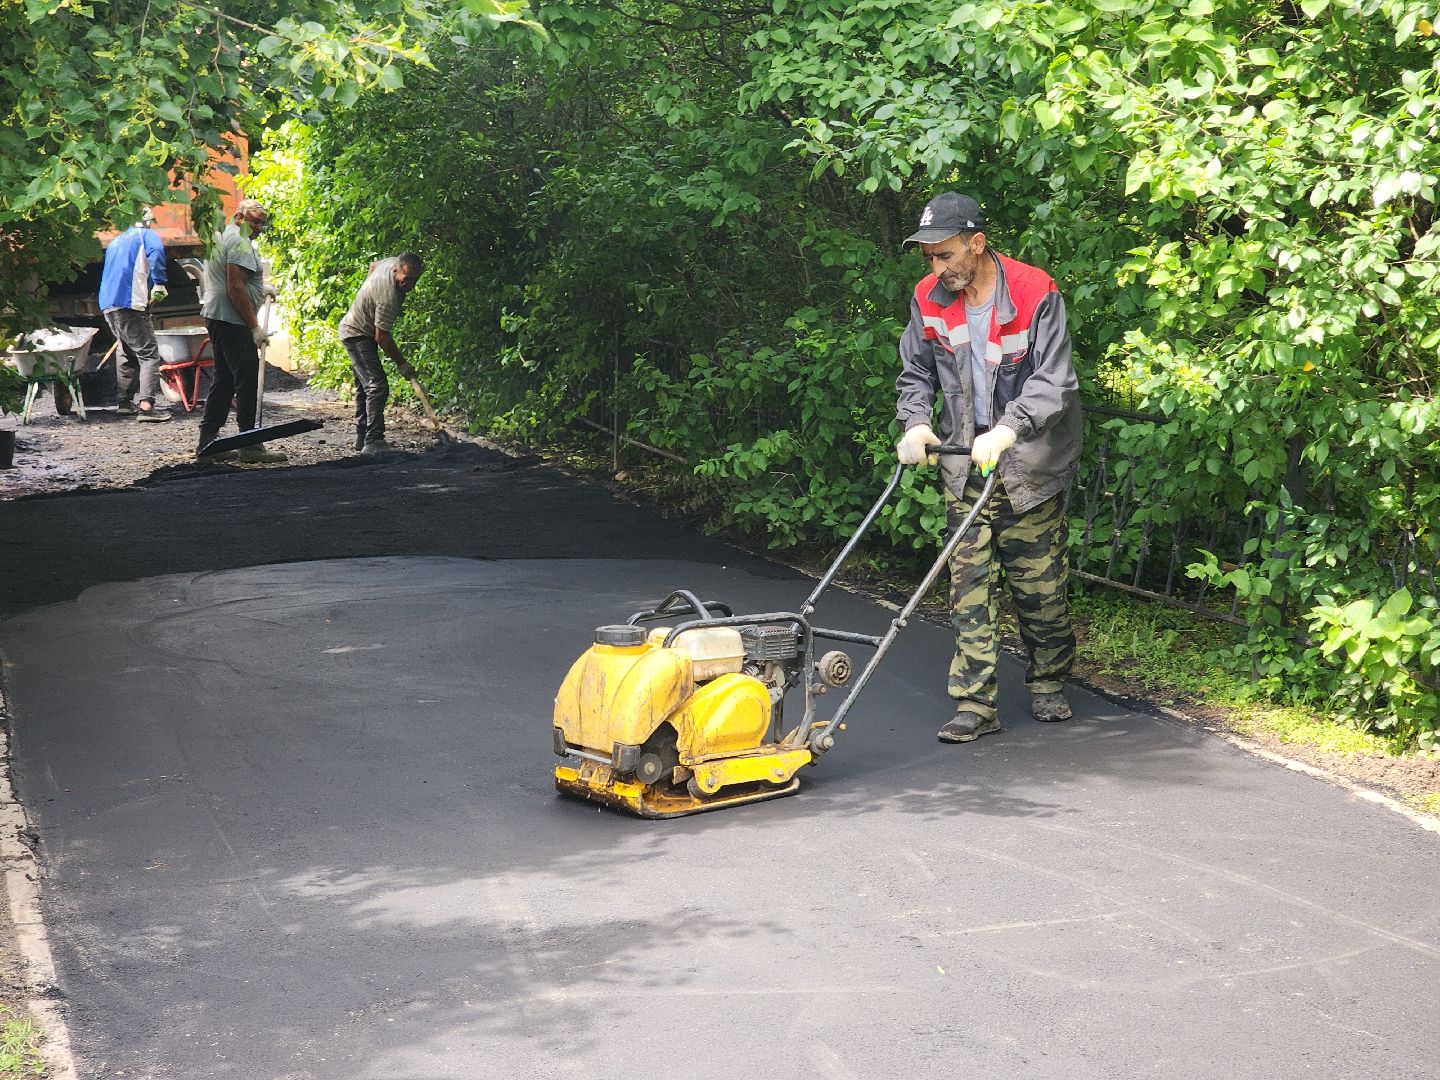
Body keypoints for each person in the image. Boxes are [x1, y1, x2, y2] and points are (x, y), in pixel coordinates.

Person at [894, 192, 1083, 744]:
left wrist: (1008, 427)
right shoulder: (929, 297)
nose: (936, 267)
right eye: (928, 256)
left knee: (1039, 590)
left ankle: (1049, 681)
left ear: (976, 244)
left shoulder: (1034, 291)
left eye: (945, 254)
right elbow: (916, 372)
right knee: (969, 587)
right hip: (962, 460)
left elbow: (1055, 381)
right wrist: (913, 423)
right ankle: (975, 704)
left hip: (1029, 462)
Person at [197, 199, 284, 464]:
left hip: (219, 317)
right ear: (238, 217)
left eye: (261, 222)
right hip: (232, 320)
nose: (258, 227)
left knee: (223, 379)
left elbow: (237, 283)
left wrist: (259, 289)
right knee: (247, 378)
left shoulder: (227, 236)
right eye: (253, 221)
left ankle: (209, 444)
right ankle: (250, 444)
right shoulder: (241, 243)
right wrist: (255, 327)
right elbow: (235, 288)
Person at [338, 252, 424, 454]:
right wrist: (402, 363)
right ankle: (374, 440)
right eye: (406, 279)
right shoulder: (388, 297)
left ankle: (362, 437)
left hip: (359, 329)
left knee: (364, 386)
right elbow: (382, 337)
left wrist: (368, 293)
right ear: (396, 270)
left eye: (414, 280)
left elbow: (373, 265)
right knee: (377, 386)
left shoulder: (392, 262)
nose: (409, 285)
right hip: (356, 333)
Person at [98, 208, 172, 422]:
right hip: (130, 303)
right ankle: (147, 407)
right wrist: (159, 283)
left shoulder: (116, 241)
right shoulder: (145, 235)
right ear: (148, 221)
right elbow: (157, 252)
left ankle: (124, 402)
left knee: (126, 350)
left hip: (108, 305)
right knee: (149, 354)